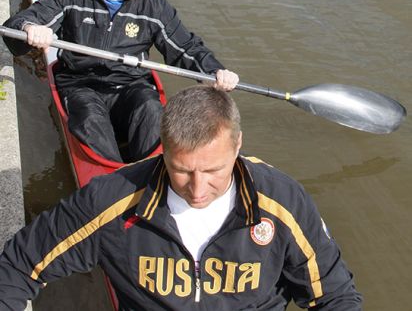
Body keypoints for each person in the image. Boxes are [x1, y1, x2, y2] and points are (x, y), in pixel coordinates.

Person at [0, 85, 362, 310]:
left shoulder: (284, 202)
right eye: (182, 171)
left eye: (213, 171)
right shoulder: (112, 200)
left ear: (237, 146)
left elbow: (334, 296)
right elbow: (18, 265)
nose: (198, 190)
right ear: (164, 150)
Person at [2, 0, 239, 162]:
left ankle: (151, 171)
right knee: (90, 118)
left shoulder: (153, 6)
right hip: (81, 84)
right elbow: (17, 25)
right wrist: (30, 29)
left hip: (131, 85)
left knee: (152, 111)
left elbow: (185, 48)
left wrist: (214, 71)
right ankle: (111, 177)